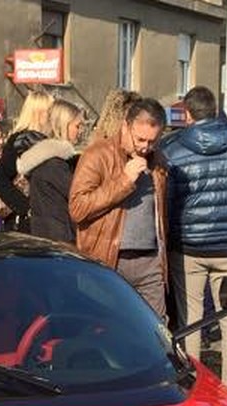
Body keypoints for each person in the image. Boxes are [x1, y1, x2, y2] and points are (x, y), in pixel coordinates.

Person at [158, 85, 227, 387]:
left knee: (191, 317)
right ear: (215, 110)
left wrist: (169, 241)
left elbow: (168, 204)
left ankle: (193, 381)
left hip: (188, 245)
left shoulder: (172, 150)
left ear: (188, 114)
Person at [69, 97, 170, 318]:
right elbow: (78, 208)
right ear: (125, 126)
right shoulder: (97, 155)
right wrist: (124, 181)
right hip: (109, 260)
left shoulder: (158, 160)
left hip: (150, 263)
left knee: (155, 330)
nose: (145, 147)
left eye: (152, 141)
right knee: (106, 327)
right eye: (140, 139)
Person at [17, 100, 83, 244]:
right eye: (77, 126)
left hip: (48, 236)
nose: (80, 131)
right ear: (64, 126)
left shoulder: (44, 160)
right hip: (59, 240)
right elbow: (80, 195)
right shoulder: (54, 165)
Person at [0, 90, 54, 232]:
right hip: (23, 223)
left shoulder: (43, 140)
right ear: (38, 113)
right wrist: (27, 208)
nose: (52, 117)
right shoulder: (20, 141)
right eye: (50, 112)